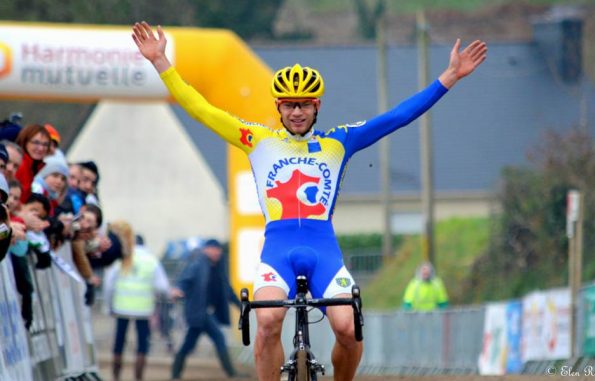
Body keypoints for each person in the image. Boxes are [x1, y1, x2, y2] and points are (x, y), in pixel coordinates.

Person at [132, 21, 486, 381]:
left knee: (347, 330)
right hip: (278, 249)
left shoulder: (340, 142)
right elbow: (201, 108)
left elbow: (398, 116)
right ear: (279, 108)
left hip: (324, 251)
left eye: (303, 105)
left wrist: (450, 76)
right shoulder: (257, 141)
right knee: (268, 320)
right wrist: (162, 62)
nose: (296, 112)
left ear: (316, 106)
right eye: (289, 106)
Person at [102, 221, 170, 381]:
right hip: (143, 309)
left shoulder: (120, 258)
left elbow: (108, 285)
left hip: (121, 308)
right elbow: (162, 286)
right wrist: (165, 296)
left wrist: (108, 305)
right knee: (142, 343)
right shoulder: (151, 260)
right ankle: (139, 377)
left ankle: (116, 376)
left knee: (119, 341)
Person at [170, 239, 243, 380]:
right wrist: (178, 290)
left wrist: (241, 306)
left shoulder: (219, 267)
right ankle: (231, 373)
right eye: (214, 249)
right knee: (219, 338)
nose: (217, 252)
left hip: (207, 313)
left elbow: (227, 290)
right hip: (199, 312)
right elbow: (185, 280)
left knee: (188, 344)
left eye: (218, 249)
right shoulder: (197, 264)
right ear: (206, 250)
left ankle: (175, 373)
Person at [15, 124, 51, 202]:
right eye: (36, 142)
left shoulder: (31, 167)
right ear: (25, 142)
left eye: (45, 144)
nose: (41, 148)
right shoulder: (21, 165)